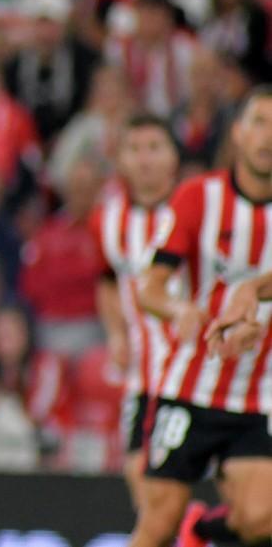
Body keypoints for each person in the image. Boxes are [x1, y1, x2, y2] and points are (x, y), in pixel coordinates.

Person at [131, 86, 272, 547]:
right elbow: (149, 286)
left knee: (262, 522)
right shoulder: (198, 197)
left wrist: (252, 291)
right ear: (237, 132)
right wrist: (182, 310)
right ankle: (186, 529)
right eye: (258, 122)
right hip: (190, 385)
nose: (267, 137)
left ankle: (203, 531)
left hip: (258, 395)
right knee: (157, 525)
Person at [91, 113, 180, 513]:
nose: (144, 160)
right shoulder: (109, 220)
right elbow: (107, 280)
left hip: (197, 375)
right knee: (142, 491)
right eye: (135, 149)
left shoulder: (195, 210)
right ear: (121, 159)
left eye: (154, 148)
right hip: (143, 376)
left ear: (173, 157)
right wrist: (115, 334)